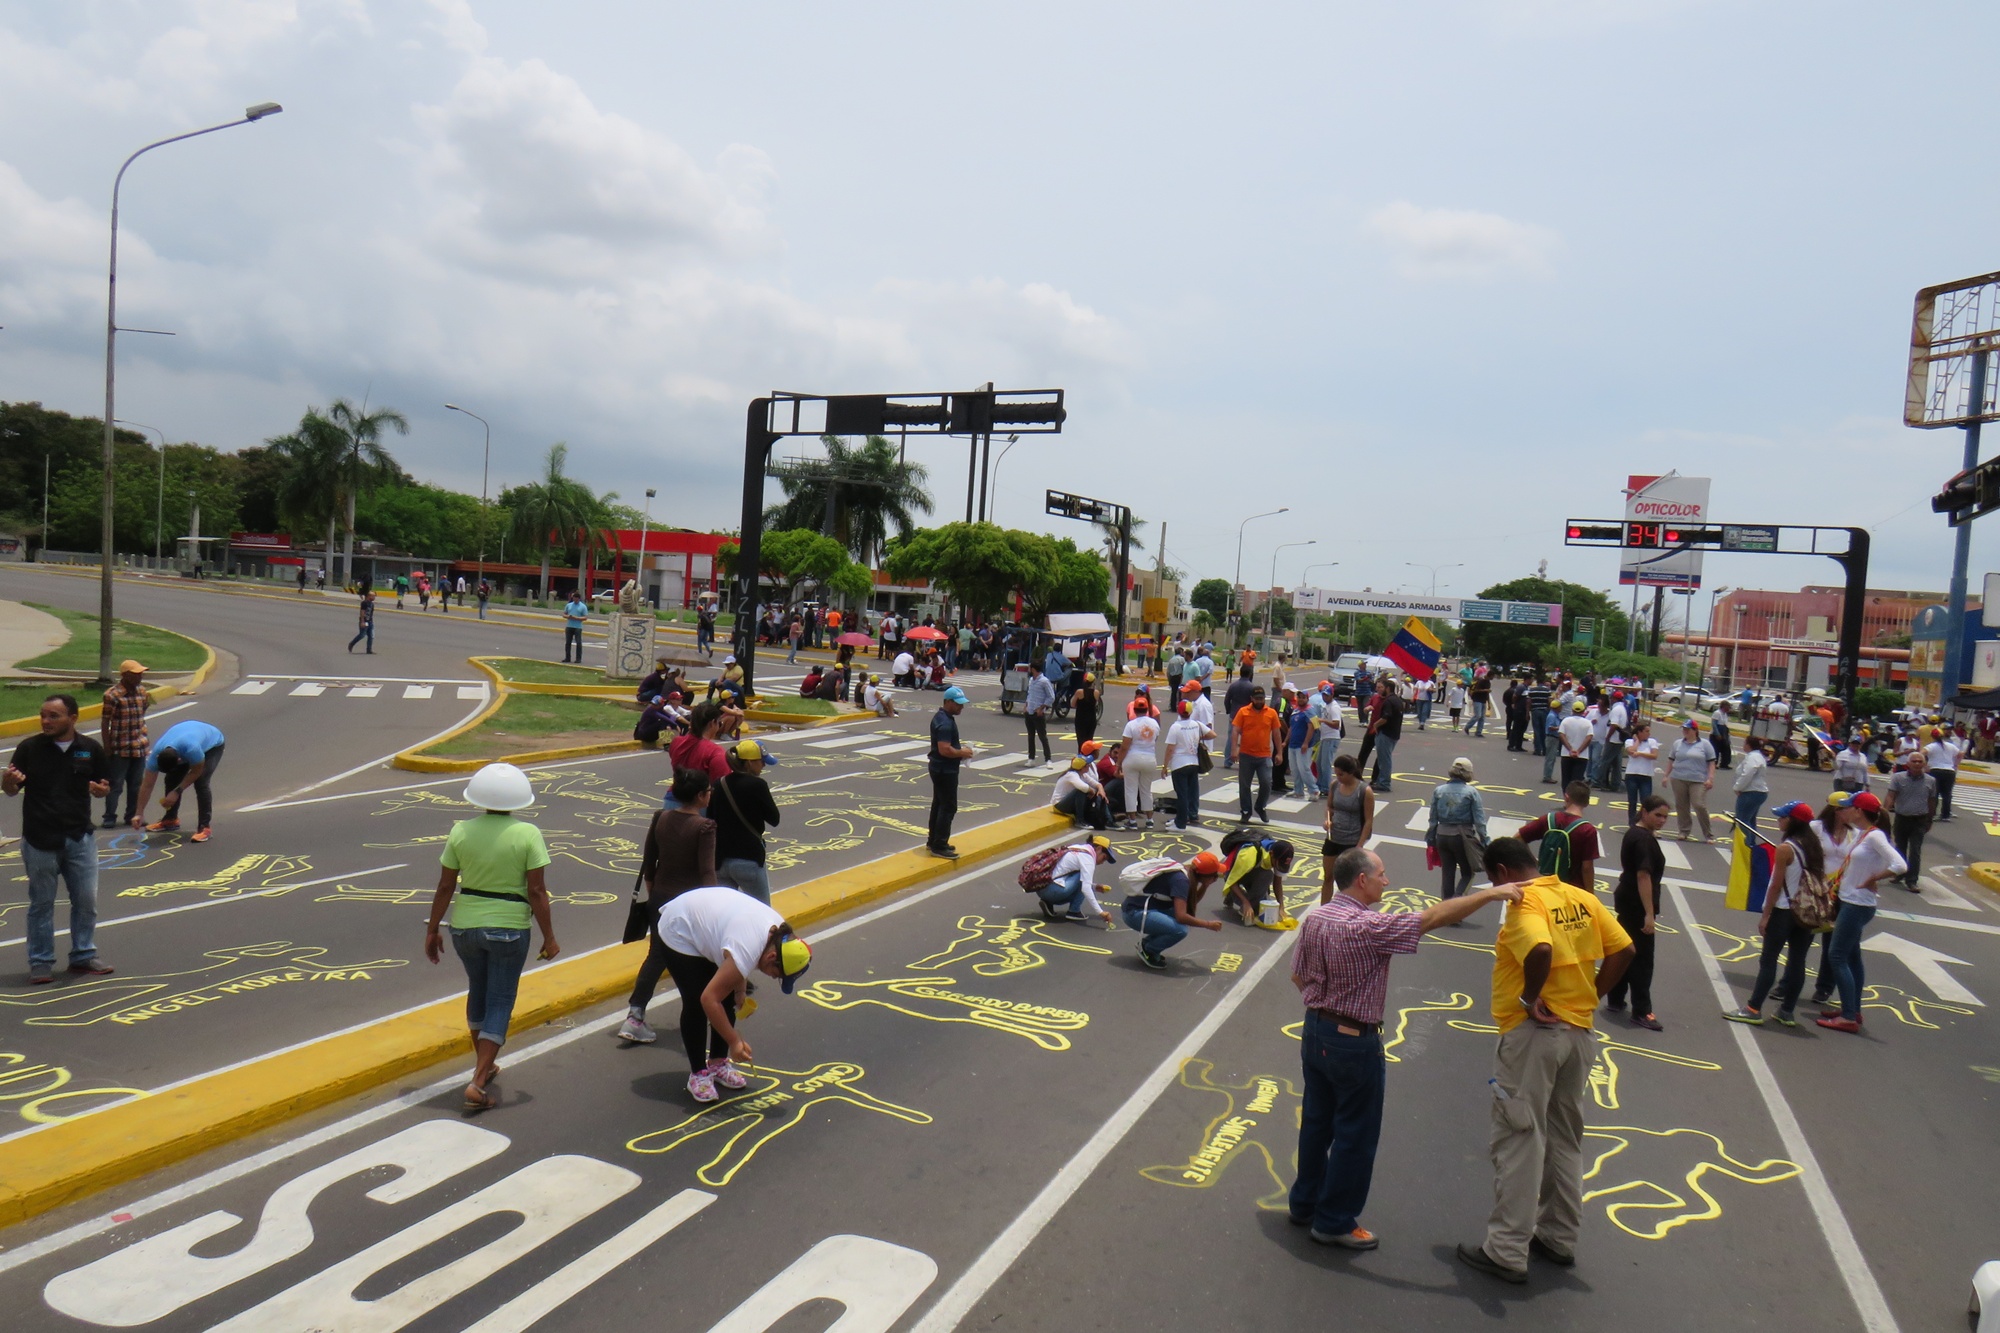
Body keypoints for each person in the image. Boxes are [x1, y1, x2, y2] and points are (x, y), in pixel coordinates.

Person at [1290, 847, 1521, 1249]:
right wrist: (1489, 894)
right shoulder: (1367, 926)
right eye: (1382, 873)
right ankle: (1334, 1220)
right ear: (1361, 880)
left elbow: (1298, 975)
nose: (1387, 880)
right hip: (1353, 1039)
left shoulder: (1317, 917)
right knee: (1354, 1134)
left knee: (1316, 1122)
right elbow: (1430, 918)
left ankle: (1304, 1202)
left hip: (1315, 1030)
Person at [1455, 837, 1632, 1284]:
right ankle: (1558, 1235)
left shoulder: (1525, 904)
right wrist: (1592, 997)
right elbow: (1625, 949)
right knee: (1565, 1138)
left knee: (1520, 1137)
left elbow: (1539, 950)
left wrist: (1529, 997)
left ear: (1499, 874)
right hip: (1579, 1031)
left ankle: (1507, 1248)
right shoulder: (1579, 896)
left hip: (1535, 1034)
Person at [423, 763, 559, 1111]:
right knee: (500, 1000)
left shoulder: (460, 831)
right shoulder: (528, 833)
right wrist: (549, 936)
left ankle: (484, 1064)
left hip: (465, 926)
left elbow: (445, 885)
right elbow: (537, 891)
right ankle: (479, 1081)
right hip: (509, 928)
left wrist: (432, 928)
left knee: (479, 993)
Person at [632, 885, 813, 1103]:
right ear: (772, 956)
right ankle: (698, 1074)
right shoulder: (750, 946)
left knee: (726, 996)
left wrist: (739, 989)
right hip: (680, 926)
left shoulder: (777, 936)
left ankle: (718, 1062)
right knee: (697, 1000)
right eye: (777, 974)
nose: (774, 978)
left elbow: (739, 954)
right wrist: (734, 1040)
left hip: (709, 923)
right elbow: (710, 998)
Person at [4, 694, 113, 984]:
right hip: (40, 838)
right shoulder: (29, 749)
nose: (46, 721)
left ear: (73, 718)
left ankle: (83, 955)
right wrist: (8, 782)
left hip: (79, 837)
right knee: (41, 903)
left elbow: (104, 784)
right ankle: (40, 961)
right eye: (43, 715)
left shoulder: (89, 749)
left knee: (86, 900)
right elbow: (12, 789)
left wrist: (102, 790)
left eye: (54, 716)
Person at [1724, 800, 1824, 1028]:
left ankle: (1753, 1008)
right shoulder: (1813, 846)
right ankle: (1787, 1011)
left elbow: (1775, 885)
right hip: (1805, 911)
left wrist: (1765, 915)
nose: (1778, 820)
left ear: (1792, 821)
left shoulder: (1786, 848)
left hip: (1783, 911)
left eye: (1782, 817)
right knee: (1797, 962)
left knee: (1768, 961)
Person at [1817, 791, 1904, 1032]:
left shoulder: (1874, 837)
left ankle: (1847, 1016)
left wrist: (1874, 878)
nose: (1842, 811)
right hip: (1849, 900)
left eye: (1847, 808)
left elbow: (1900, 865)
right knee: (1852, 957)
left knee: (1836, 956)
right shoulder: (1863, 835)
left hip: (1858, 904)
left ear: (1858, 811)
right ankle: (1853, 1009)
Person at [1605, 793, 1670, 1031]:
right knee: (1642, 959)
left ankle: (1614, 997)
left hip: (1625, 897)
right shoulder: (1644, 840)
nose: (1662, 820)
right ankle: (1642, 1011)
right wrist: (1649, 914)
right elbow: (1644, 876)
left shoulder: (1634, 832)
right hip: (1636, 903)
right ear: (1645, 812)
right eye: (1658, 815)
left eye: (1665, 817)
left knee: (1625, 948)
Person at [1123, 850, 1223, 968]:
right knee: (1180, 930)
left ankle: (1147, 944)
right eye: (1214, 875)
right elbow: (1182, 916)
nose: (1216, 878)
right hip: (1134, 914)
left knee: (1178, 920)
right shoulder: (1181, 881)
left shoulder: (1185, 872)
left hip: (1140, 909)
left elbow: (1190, 902)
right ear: (1204, 875)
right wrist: (1208, 924)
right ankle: (1149, 950)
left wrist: (1205, 886)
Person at [132, 719, 226, 842]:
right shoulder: (155, 756)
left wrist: (177, 791)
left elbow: (196, 771)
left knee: (201, 782)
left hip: (212, 744)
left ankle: (204, 827)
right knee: (171, 779)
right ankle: (170, 819)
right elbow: (147, 785)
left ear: (179, 760)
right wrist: (139, 812)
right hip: (186, 736)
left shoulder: (192, 750)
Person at [712, 739, 781, 904]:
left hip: (720, 860)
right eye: (761, 762)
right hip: (748, 859)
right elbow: (774, 818)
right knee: (762, 912)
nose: (763, 766)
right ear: (749, 763)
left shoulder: (719, 784)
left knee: (726, 913)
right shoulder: (757, 785)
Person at [1518, 782, 1600, 891]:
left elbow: (1518, 839)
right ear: (1587, 803)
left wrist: (1534, 862)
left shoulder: (1548, 819)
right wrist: (1590, 894)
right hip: (1572, 889)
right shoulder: (1587, 830)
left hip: (1546, 884)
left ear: (1566, 797)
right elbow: (1587, 868)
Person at [98, 659, 151, 829]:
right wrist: (107, 747)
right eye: (136, 674)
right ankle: (109, 816)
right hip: (120, 747)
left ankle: (131, 815)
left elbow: (142, 714)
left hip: (139, 747)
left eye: (141, 673)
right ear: (125, 675)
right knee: (115, 785)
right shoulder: (112, 695)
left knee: (136, 785)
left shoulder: (142, 692)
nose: (140, 677)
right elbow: (105, 722)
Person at [1427, 757, 1489, 901]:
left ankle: (1446, 908)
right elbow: (1479, 821)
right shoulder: (1471, 792)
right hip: (1462, 837)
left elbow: (1432, 819)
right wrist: (1485, 841)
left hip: (1442, 835)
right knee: (1467, 873)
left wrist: (1431, 839)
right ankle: (1457, 901)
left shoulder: (1439, 790)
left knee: (1448, 873)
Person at [1319, 754, 1374, 903]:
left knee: (1349, 884)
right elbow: (1330, 806)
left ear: (1351, 773)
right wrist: (1327, 819)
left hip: (1351, 840)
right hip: (1333, 838)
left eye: (1341, 774)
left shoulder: (1364, 791)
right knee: (1328, 876)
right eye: (1336, 774)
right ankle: (1323, 910)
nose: (1338, 777)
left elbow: (1368, 820)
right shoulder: (1335, 785)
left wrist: (1360, 845)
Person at [926, 686, 974, 857]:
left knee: (939, 804)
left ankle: (933, 840)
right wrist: (964, 753)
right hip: (944, 770)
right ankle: (939, 845)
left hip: (940, 768)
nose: (961, 707)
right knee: (948, 807)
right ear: (948, 702)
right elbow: (944, 749)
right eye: (958, 704)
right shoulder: (945, 723)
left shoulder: (943, 718)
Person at [1035, 835, 1117, 923]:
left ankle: (1048, 902)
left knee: (1081, 877)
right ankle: (1074, 911)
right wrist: (1100, 912)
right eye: (1104, 858)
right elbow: (1085, 888)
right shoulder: (1088, 859)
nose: (1102, 862)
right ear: (1099, 849)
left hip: (1041, 887)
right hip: (1053, 891)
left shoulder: (1075, 848)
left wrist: (1095, 887)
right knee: (1082, 876)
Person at [1232, 685, 1284, 823]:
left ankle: (1260, 806)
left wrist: (1279, 752)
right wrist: (1234, 749)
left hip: (1264, 755)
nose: (1259, 701)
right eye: (1256, 699)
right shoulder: (1243, 712)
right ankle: (1246, 811)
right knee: (1244, 785)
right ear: (1251, 699)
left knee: (1266, 783)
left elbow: (1277, 734)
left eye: (1261, 698)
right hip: (1246, 754)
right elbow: (1235, 731)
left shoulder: (1271, 713)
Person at [1887, 752, 1936, 891]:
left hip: (1919, 820)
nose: (1917, 764)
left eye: (1920, 761)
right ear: (1907, 764)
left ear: (1924, 764)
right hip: (1902, 818)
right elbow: (1891, 795)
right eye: (1913, 761)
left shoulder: (1930, 781)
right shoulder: (1898, 777)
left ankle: (1912, 880)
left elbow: (1932, 801)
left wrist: (1930, 819)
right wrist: (1884, 812)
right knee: (1900, 848)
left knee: (1915, 850)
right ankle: (1899, 874)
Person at [1219, 833, 1293, 925]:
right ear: (1271, 854)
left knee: (1261, 906)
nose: (1279, 867)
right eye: (1278, 864)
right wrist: (1246, 903)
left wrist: (1281, 907)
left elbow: (1277, 882)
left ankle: (1235, 896)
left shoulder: (1280, 856)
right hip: (1233, 873)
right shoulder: (1249, 854)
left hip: (1252, 870)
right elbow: (1232, 881)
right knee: (1267, 876)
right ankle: (1238, 899)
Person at [1664, 719, 1718, 842]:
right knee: (1681, 805)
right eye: (1684, 729)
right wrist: (1666, 775)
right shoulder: (1678, 743)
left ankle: (1708, 833)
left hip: (1698, 780)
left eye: (1688, 729)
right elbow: (1671, 760)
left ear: (1695, 730)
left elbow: (1711, 763)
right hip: (1679, 777)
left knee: (1699, 804)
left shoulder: (1704, 744)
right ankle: (1684, 830)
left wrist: (1710, 778)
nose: (1685, 731)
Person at [1164, 701, 1208, 829]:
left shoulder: (1175, 727)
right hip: (1193, 762)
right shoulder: (1196, 725)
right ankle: (1181, 818)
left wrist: (1165, 766)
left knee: (1182, 795)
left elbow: (1170, 748)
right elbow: (1211, 734)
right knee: (1190, 793)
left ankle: (1180, 823)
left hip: (1179, 764)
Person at [1119, 700, 1162, 831]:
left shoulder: (1131, 725)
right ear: (1147, 710)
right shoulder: (1154, 723)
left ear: (1135, 710)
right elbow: (1155, 739)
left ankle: (1132, 820)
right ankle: (1149, 819)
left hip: (1132, 758)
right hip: (1149, 758)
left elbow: (1125, 746)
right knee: (1146, 789)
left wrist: (1118, 763)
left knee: (1131, 790)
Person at [1052, 754, 1110, 828]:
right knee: (1080, 791)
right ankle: (1080, 821)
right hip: (1059, 805)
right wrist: (1092, 791)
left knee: (1099, 795)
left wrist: (1101, 791)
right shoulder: (1071, 774)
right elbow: (1083, 787)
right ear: (1082, 767)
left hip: (1069, 803)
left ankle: (1108, 819)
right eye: (1087, 764)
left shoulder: (1082, 774)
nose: (1089, 765)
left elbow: (1097, 784)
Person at [1622, 718, 1659, 826]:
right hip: (1632, 774)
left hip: (1646, 775)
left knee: (1646, 802)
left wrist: (1640, 754)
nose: (1649, 734)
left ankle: (1646, 823)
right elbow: (1630, 751)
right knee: (1632, 802)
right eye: (1646, 731)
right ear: (1639, 732)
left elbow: (1654, 755)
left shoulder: (1652, 742)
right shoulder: (1629, 742)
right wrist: (1637, 741)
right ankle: (1632, 823)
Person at [1731, 735, 1770, 834]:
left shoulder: (1753, 757)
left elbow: (1748, 773)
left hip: (1751, 792)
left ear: (1749, 745)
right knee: (1750, 820)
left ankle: (1746, 844)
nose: (1743, 745)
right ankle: (1751, 844)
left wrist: (1737, 787)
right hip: (1757, 792)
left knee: (1742, 820)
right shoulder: (1756, 756)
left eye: (1745, 743)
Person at [1310, 682, 1343, 797]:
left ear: (1332, 695)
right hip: (1324, 737)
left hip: (1331, 737)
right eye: (1323, 695)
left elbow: (1336, 724)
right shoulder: (1326, 705)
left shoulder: (1334, 707)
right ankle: (1320, 784)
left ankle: (1326, 788)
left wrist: (1323, 721)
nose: (1325, 697)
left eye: (1327, 695)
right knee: (1319, 762)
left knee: (1325, 763)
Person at [1285, 693, 1319, 803]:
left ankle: (1313, 790)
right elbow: (1291, 728)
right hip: (1293, 744)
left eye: (1303, 697)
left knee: (1304, 768)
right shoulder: (1295, 710)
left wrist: (1306, 743)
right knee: (1295, 769)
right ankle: (1298, 790)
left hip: (1303, 745)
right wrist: (1285, 741)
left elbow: (1312, 728)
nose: (1301, 699)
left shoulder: (1310, 711)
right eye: (1299, 697)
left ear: (1307, 699)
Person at [1221, 665, 1256, 768]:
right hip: (1247, 717)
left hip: (1234, 715)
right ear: (1250, 674)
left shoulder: (1233, 685)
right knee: (1246, 739)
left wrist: (1229, 710)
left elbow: (1227, 700)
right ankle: (1244, 761)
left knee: (1231, 738)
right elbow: (1254, 703)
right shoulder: (1251, 687)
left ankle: (1228, 760)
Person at [1923, 726, 1960, 820]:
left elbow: (1921, 753)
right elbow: (1960, 754)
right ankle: (1945, 815)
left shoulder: (1931, 746)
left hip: (1935, 770)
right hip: (1949, 771)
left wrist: (1925, 765)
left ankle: (1932, 813)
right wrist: (1955, 765)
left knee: (1934, 793)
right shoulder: (1951, 746)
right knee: (1947, 794)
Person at [1023, 661, 1055, 762]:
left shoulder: (1044, 681)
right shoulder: (1031, 680)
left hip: (1038, 713)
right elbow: (1030, 694)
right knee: (1030, 736)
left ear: (1033, 669)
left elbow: (1051, 697)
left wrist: (1042, 708)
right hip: (1030, 711)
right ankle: (1031, 757)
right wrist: (1026, 706)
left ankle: (1048, 759)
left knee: (1042, 737)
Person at [1556, 700, 1592, 789]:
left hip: (1566, 754)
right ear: (1583, 711)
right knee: (1577, 781)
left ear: (1572, 710)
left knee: (1566, 779)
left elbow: (1561, 735)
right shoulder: (1588, 723)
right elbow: (1589, 738)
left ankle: (1566, 798)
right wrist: (1578, 751)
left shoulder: (1566, 721)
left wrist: (1570, 749)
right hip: (1582, 756)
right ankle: (1574, 800)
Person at [1072, 672, 1101, 750]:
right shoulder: (1096, 693)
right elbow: (1096, 704)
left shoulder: (1079, 692)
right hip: (1091, 719)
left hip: (1080, 719)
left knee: (1081, 742)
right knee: (1089, 741)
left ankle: (1081, 758)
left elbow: (1072, 704)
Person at [562, 592, 589, 663]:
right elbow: (564, 614)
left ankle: (578, 658)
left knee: (578, 643)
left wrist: (577, 618)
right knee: (568, 642)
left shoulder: (583, 606)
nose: (575, 599)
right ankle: (567, 657)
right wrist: (569, 616)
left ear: (579, 598)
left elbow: (585, 617)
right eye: (574, 598)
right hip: (569, 626)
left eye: (576, 598)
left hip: (578, 627)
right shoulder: (569, 605)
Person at [1710, 699, 1733, 769]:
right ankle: (1714, 763)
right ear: (1724, 706)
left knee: (1726, 748)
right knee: (1715, 749)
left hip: (1724, 732)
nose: (1729, 709)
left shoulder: (1725, 714)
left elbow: (1725, 724)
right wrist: (1717, 734)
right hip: (1716, 733)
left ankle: (1724, 763)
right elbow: (1714, 724)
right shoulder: (1717, 713)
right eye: (1728, 707)